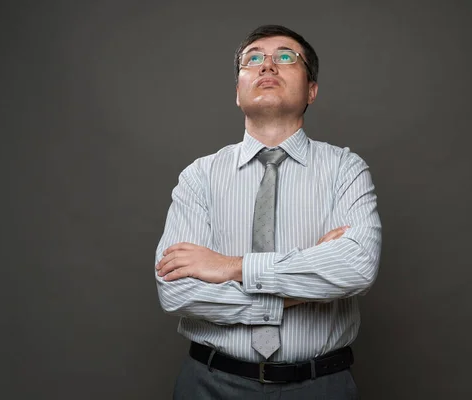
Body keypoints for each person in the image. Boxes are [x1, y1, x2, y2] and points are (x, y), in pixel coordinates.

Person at [155, 24, 381, 399]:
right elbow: (176, 292)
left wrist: (231, 266)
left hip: (320, 387)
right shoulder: (199, 177)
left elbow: (356, 266)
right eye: (253, 59)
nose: (268, 66)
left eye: (286, 57)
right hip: (210, 385)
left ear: (311, 89)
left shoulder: (346, 168)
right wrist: (306, 288)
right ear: (237, 91)